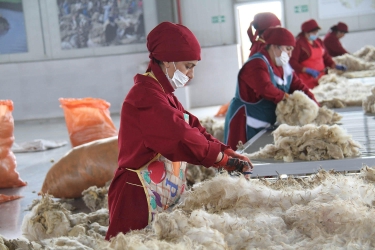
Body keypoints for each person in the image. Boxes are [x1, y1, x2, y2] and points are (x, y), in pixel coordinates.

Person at [105, 22, 253, 240]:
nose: (191, 74)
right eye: (188, 66)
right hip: (137, 199)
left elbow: (192, 127)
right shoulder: (145, 97)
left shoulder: (163, 94)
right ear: (167, 60)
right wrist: (221, 160)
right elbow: (181, 137)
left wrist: (227, 151)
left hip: (160, 192)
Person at [224, 27, 319, 150]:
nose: (290, 54)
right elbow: (266, 88)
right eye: (288, 49)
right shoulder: (256, 63)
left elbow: (299, 86)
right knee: (242, 158)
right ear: (274, 46)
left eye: (292, 50)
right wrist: (288, 98)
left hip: (267, 121)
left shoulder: (284, 66)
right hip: (247, 121)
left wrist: (315, 105)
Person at [214, 12, 281, 118]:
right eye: (277, 29)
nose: (279, 33)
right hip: (253, 107)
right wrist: (283, 96)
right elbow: (263, 86)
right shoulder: (260, 50)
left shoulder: (264, 46)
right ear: (267, 30)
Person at [290, 19, 347, 89]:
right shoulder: (299, 43)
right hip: (306, 79)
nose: (315, 34)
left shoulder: (318, 41)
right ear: (306, 32)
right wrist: (307, 70)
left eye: (316, 32)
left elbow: (325, 56)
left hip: (321, 77)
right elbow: (292, 62)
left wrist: (334, 65)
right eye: (313, 32)